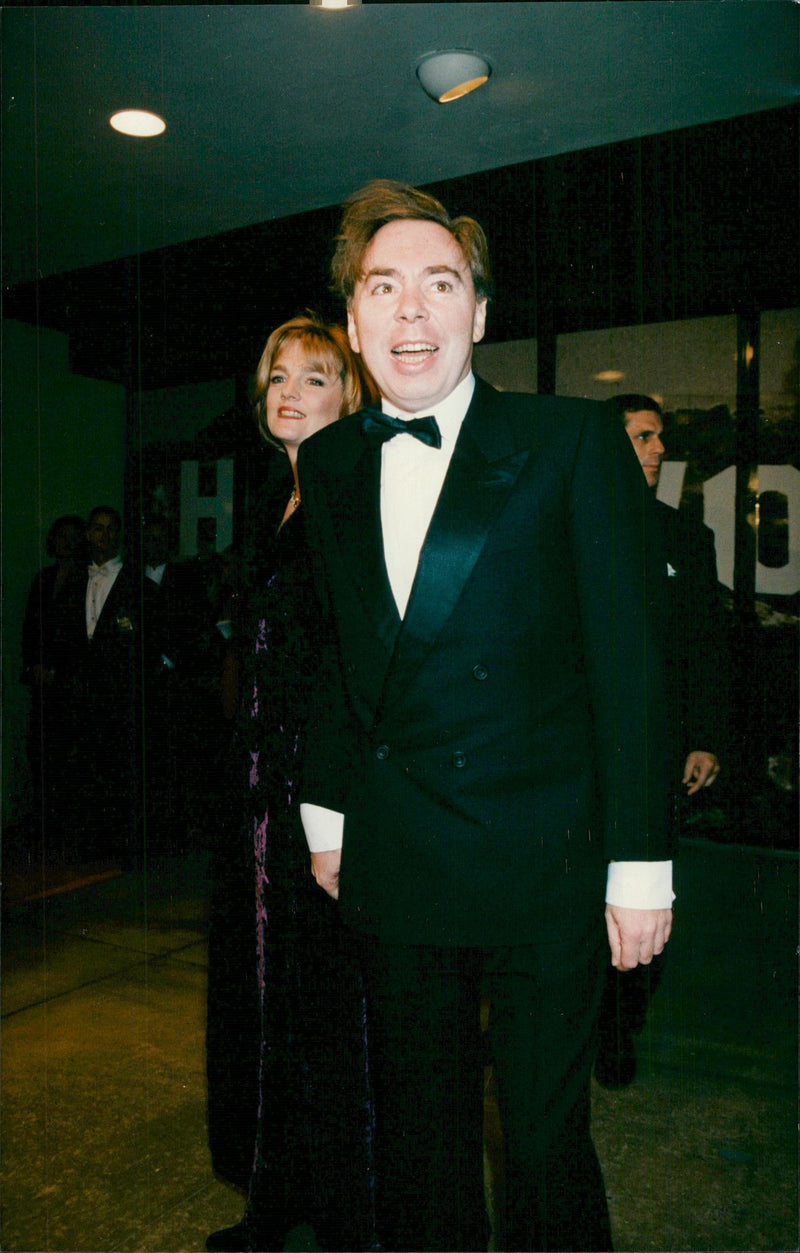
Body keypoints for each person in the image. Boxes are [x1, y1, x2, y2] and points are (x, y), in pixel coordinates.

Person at [297, 180, 673, 1252]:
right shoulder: (328, 461)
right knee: (419, 1133)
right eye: (382, 287)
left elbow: (627, 663)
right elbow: (344, 647)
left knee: (545, 1139)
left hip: (544, 862)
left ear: (478, 313)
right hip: (396, 850)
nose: (410, 311)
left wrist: (639, 863)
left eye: (438, 284)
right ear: (355, 321)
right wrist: (327, 811)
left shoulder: (566, 441)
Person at [205, 315, 380, 1253]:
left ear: (348, 393)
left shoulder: (348, 493)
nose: (289, 392)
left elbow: (356, 669)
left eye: (314, 377)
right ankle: (278, 1195)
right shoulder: (282, 491)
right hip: (261, 783)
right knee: (268, 994)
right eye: (277, 375)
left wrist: (331, 809)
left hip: (316, 789)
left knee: (323, 1001)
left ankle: (345, 1213)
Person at [594, 394, 724, 1088]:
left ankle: (619, 1025)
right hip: (576, 756)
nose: (656, 448)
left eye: (659, 437)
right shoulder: (570, 527)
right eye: (642, 436)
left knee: (645, 891)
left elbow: (706, 647)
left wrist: (704, 737)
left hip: (654, 754)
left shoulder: (682, 538)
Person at [21, 514, 88, 861]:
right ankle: (44, 826)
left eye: (71, 536)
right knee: (40, 752)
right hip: (42, 684)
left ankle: (67, 831)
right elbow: (31, 627)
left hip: (68, 685)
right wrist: (32, 666)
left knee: (67, 757)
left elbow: (81, 635)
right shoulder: (43, 579)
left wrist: (59, 670)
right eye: (59, 536)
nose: (64, 542)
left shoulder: (87, 579)